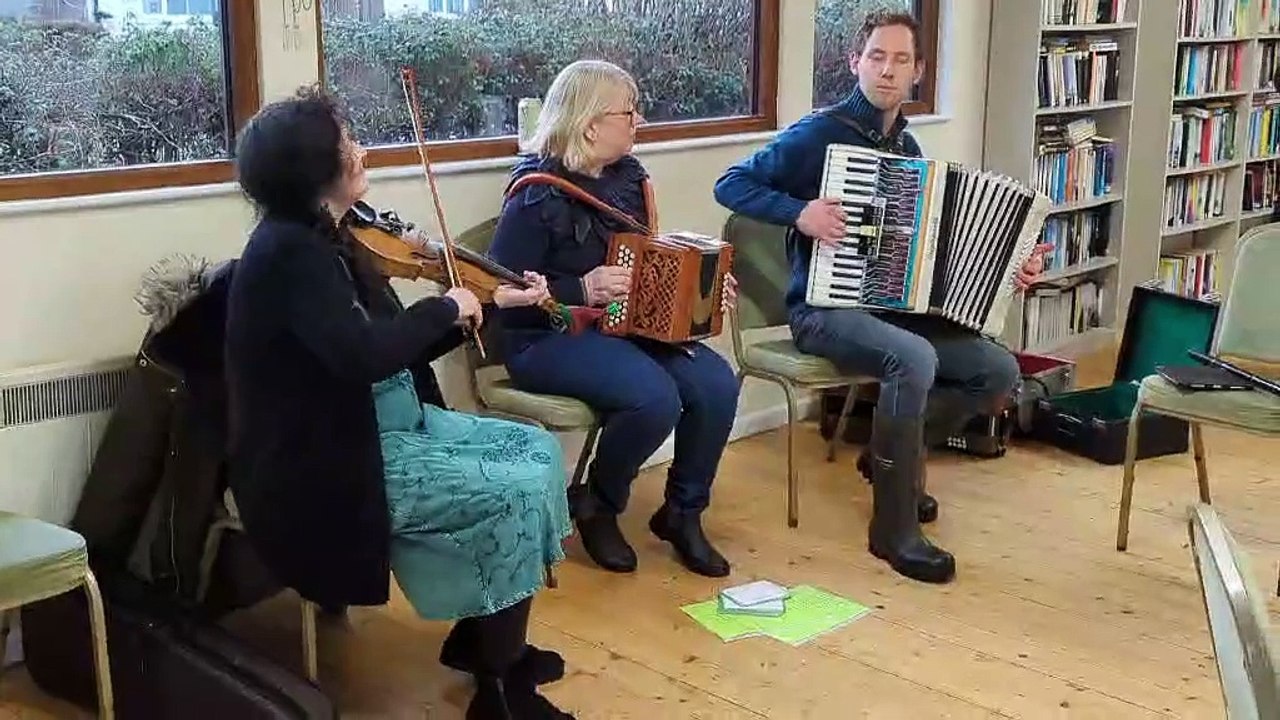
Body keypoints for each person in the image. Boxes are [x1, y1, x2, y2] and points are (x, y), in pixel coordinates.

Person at [224, 86, 575, 720]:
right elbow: (362, 356)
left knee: (537, 448)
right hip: (328, 458)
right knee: (512, 492)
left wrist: (490, 300)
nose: (359, 150)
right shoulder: (290, 256)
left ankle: (489, 641)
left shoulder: (331, 236)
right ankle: (499, 690)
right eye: (344, 144)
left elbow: (393, 345)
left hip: (387, 420)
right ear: (313, 171)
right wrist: (446, 304)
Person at [713, 11, 1048, 585]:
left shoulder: (908, 147)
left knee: (996, 370)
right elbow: (732, 184)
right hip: (822, 311)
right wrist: (801, 213)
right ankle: (893, 528)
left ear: (917, 72)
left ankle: (889, 451)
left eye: (899, 60)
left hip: (888, 309)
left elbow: (935, 251)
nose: (886, 70)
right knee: (913, 358)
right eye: (876, 56)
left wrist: (1010, 266)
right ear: (855, 63)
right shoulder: (819, 134)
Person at [487, 60, 742, 579]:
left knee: (715, 382)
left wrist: (706, 288)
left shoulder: (627, 180)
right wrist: (580, 287)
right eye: (629, 112)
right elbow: (496, 292)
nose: (638, 121)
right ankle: (599, 503)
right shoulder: (536, 193)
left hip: (619, 327)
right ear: (589, 124)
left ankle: (682, 512)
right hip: (542, 338)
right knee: (653, 396)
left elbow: (645, 262)